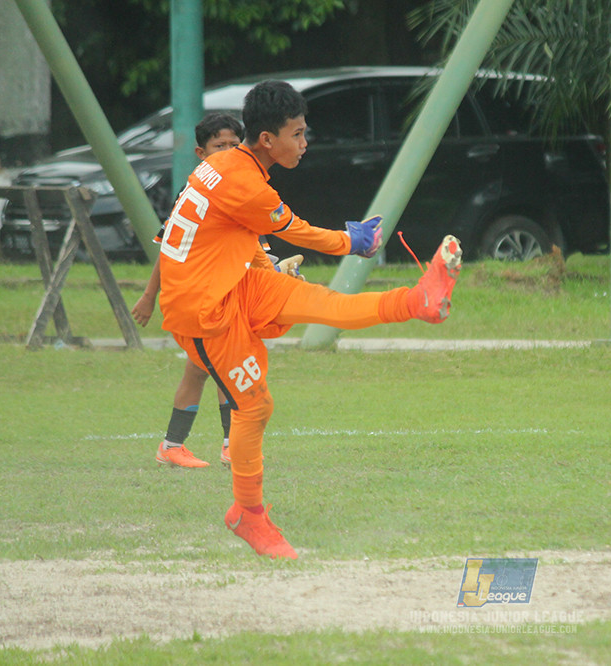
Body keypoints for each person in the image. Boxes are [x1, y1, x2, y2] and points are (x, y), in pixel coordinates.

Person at [157, 80, 461, 560]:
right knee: (255, 407)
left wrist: (261, 265)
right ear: (266, 141)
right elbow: (292, 229)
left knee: (324, 303)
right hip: (202, 312)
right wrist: (351, 240)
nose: (305, 142)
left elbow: (218, 234)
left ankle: (419, 300)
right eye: (297, 134)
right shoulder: (243, 179)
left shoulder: (227, 164)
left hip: (229, 283)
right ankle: (247, 514)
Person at [132, 112, 304, 468]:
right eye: (218, 146)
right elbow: (169, 250)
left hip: (228, 295)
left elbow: (257, 252)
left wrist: (277, 275)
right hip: (201, 298)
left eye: (232, 144)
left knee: (205, 369)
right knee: (224, 365)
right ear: (200, 152)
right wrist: (149, 297)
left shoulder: (243, 188)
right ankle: (212, 446)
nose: (227, 151)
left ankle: (183, 445)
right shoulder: (196, 193)